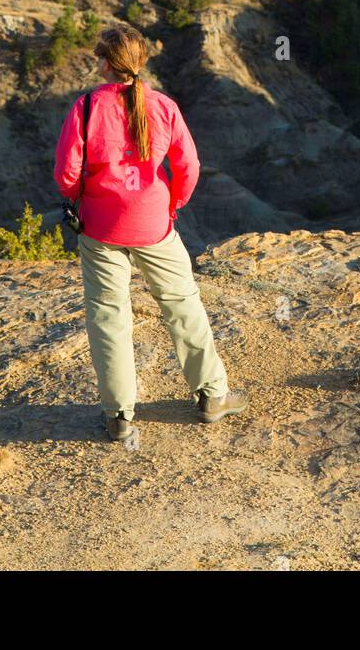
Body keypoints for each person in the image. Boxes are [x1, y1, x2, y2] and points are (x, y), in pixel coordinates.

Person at [54, 22, 248, 442]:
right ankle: (212, 397)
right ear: (140, 62)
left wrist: (80, 200)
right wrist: (172, 203)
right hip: (155, 224)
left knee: (109, 315)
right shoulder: (163, 106)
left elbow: (66, 172)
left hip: (101, 226)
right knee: (182, 305)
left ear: (105, 64)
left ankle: (120, 416)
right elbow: (189, 167)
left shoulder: (86, 107)